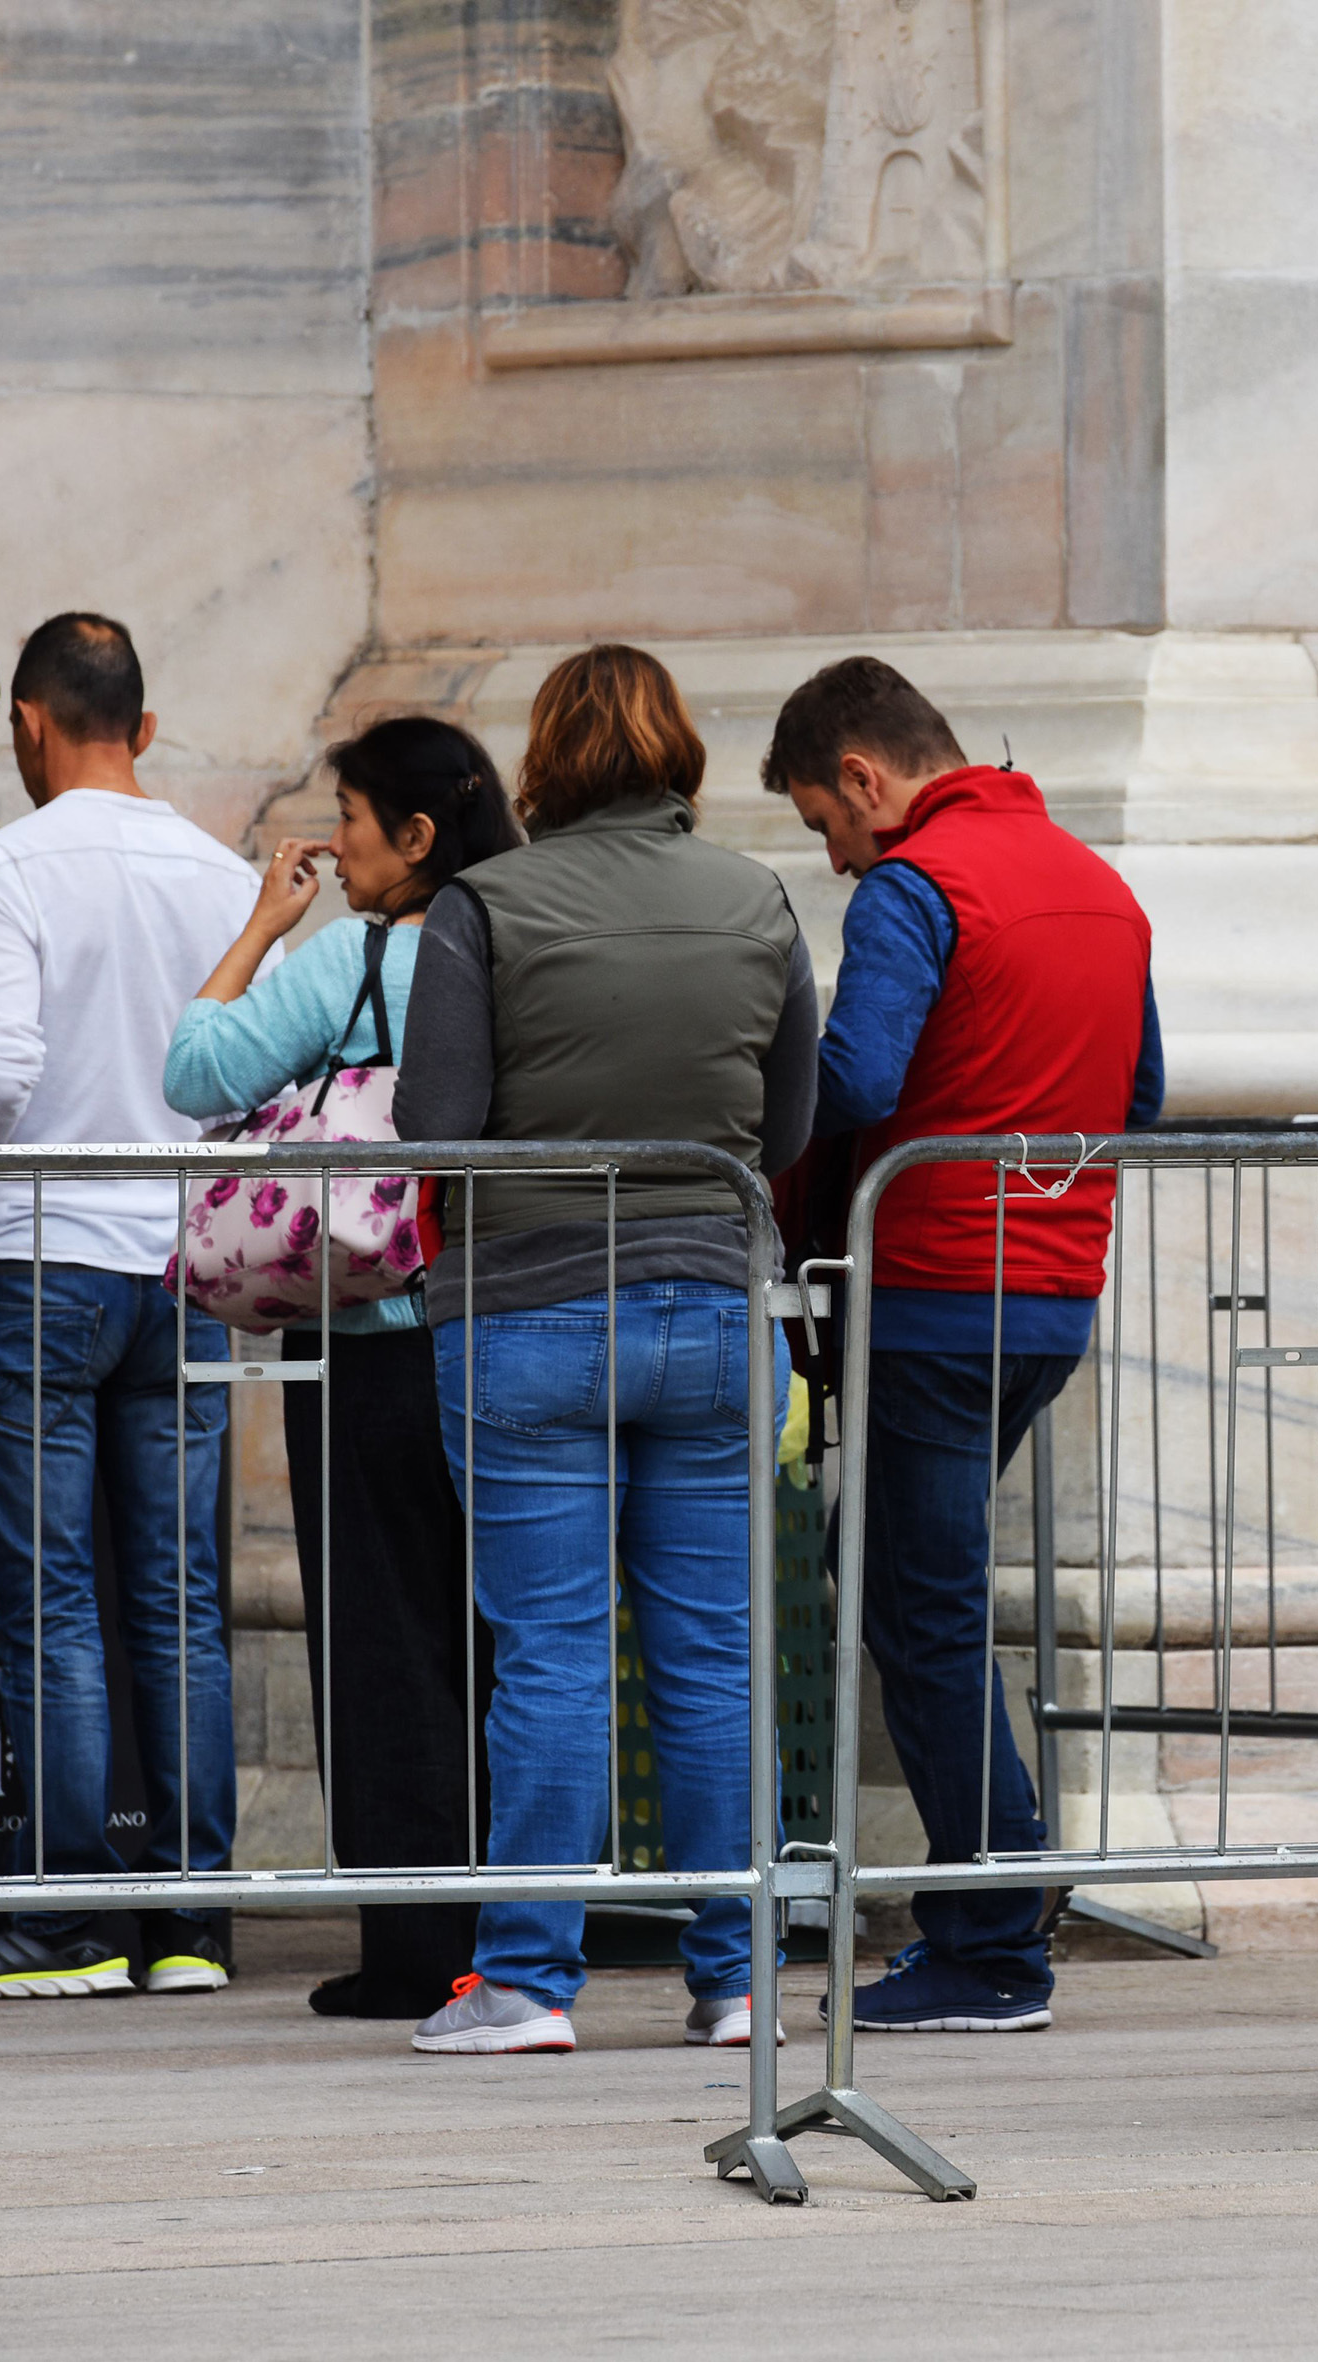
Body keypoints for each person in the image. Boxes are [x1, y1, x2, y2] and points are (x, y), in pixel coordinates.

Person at [390, 643, 819, 2056]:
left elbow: (434, 1122)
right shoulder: (756, 897)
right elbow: (792, 1126)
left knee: (553, 1657)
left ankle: (528, 1980)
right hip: (708, 1302)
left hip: (523, 1309)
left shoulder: (484, 904)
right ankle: (738, 1974)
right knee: (708, 1660)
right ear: (680, 749)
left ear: (546, 759)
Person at [756, 656, 1161, 2034]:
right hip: (1053, 1292)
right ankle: (999, 1895)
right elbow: (1141, 1089)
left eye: (823, 820)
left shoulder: (915, 887)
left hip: (929, 1288)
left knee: (918, 1608)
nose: (833, 850)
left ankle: (991, 1936)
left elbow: (858, 1078)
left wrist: (755, 1089)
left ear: (866, 777)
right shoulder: (1096, 884)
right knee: (904, 1586)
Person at [0, 614, 261, 2003]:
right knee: (178, 1598)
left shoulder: (2, 862)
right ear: (146, 727)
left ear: (29, 727)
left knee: (49, 1597)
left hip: (39, 1252)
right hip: (180, 1262)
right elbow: (242, 1075)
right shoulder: (222, 870)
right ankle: (189, 1919)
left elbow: (0, 1073)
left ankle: (62, 1918)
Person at [165, 717, 522, 2020]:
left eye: (352, 820)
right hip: (510, 1334)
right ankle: (514, 1931)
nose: (335, 847)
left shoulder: (360, 962)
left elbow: (191, 1067)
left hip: (372, 1347)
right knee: (503, 1636)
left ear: (416, 836)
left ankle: (412, 1947)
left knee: (381, 1641)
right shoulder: (517, 948)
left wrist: (266, 923)